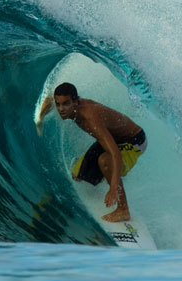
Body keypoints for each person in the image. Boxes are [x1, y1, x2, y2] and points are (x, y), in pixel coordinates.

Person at [37, 82, 146, 222]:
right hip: (112, 138)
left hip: (133, 140)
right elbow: (50, 100)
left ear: (76, 101)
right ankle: (104, 174)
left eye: (66, 104)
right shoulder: (72, 105)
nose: (61, 109)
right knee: (77, 175)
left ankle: (123, 209)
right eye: (59, 104)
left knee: (105, 161)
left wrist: (113, 188)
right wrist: (39, 119)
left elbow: (115, 154)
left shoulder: (90, 119)